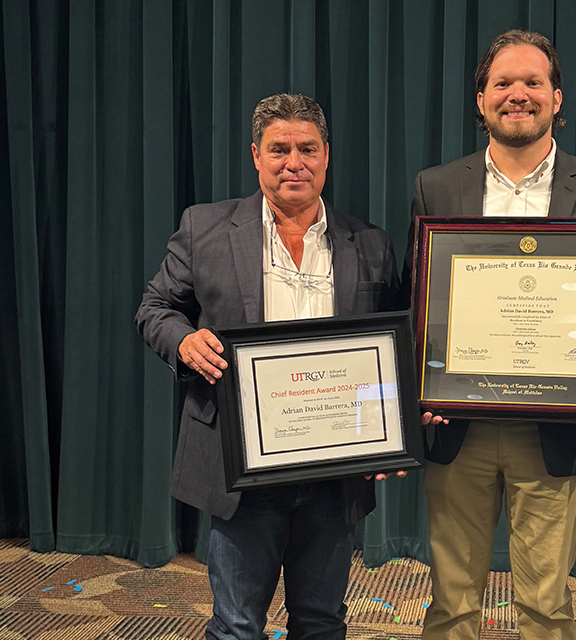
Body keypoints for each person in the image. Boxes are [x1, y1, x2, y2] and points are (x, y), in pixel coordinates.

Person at [136, 94, 400, 640]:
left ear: (327, 155)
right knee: (236, 625)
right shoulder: (203, 229)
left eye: (307, 148)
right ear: (256, 155)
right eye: (279, 149)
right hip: (240, 469)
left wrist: (389, 434)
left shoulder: (370, 243)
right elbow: (155, 309)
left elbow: (391, 349)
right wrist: (184, 343)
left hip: (333, 471)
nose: (293, 162)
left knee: (323, 622)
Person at [403, 30, 576, 640]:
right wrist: (422, 385)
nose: (518, 95)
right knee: (451, 603)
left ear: (557, 98)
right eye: (502, 83)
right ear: (480, 100)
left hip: (552, 427)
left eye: (533, 82)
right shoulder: (437, 186)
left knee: (547, 604)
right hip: (459, 426)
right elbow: (417, 296)